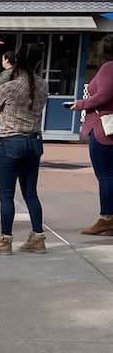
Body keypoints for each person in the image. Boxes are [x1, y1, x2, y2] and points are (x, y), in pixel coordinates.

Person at [0, 43, 48, 255]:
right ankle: (38, 237)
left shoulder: (8, 87)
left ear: (16, 61)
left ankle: (5, 240)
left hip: (10, 141)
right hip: (34, 142)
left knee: (7, 194)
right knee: (31, 193)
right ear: (38, 62)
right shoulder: (43, 85)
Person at [72, 33, 113, 236]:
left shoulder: (108, 67)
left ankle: (107, 218)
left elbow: (103, 95)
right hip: (106, 127)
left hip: (103, 128)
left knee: (105, 175)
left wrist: (81, 104)